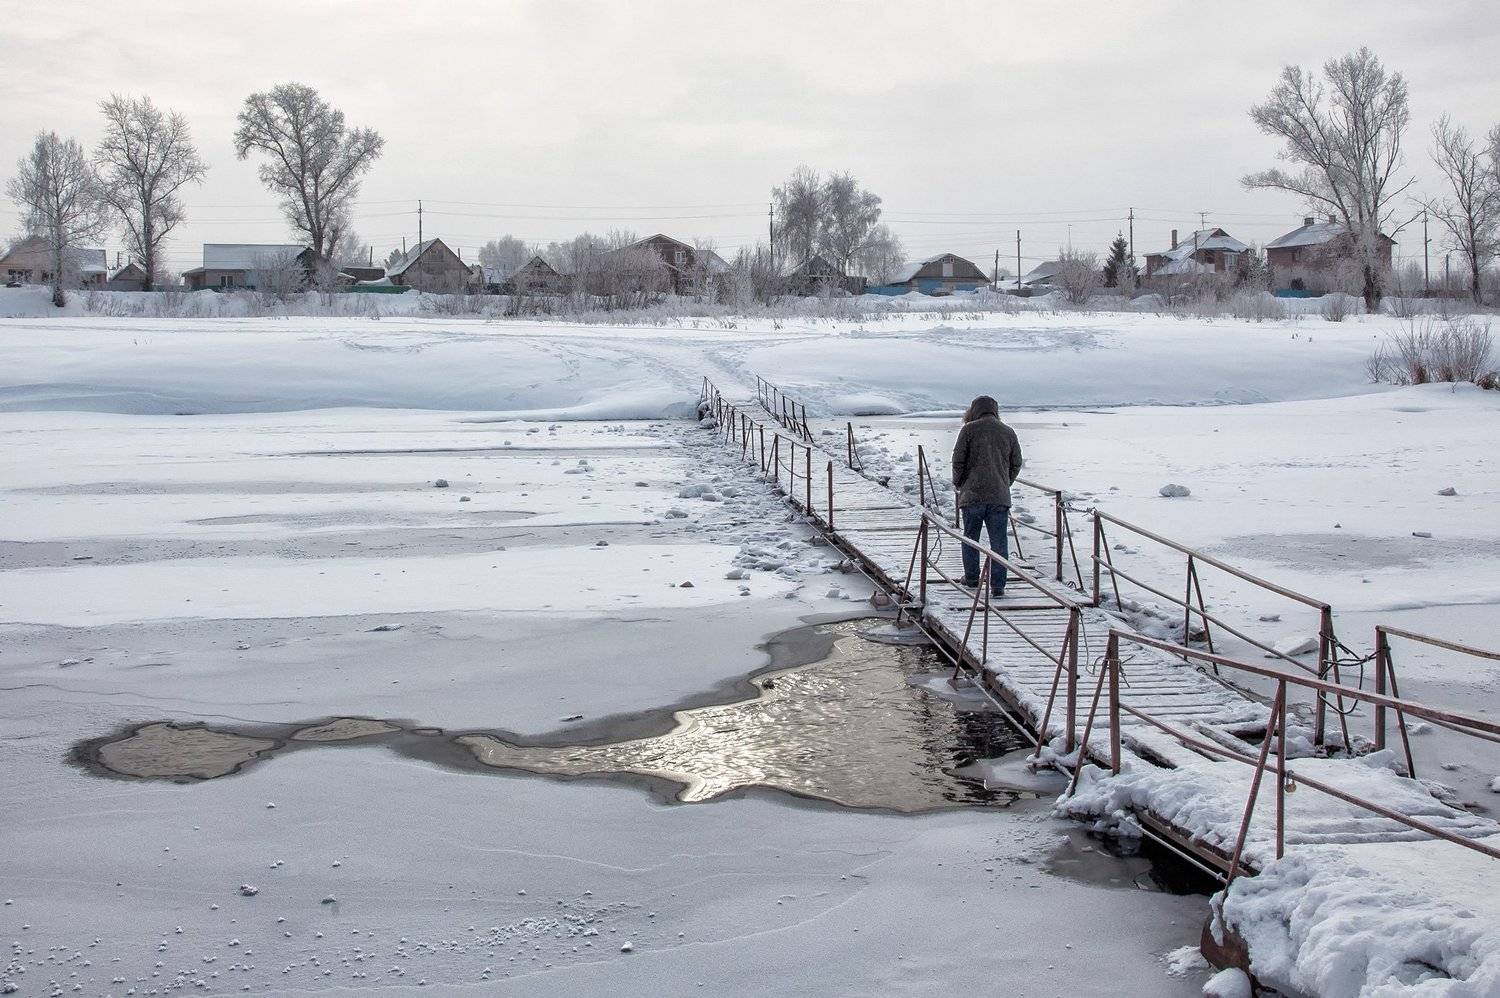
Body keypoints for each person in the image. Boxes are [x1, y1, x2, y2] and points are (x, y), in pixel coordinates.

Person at [950, 395, 1023, 597]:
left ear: (974, 410)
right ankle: (998, 584)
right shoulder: (1008, 432)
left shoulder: (968, 430)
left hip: (972, 495)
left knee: (970, 537)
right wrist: (1005, 481)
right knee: (999, 541)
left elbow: (958, 460)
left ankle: (972, 579)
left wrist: (959, 482)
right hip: (998, 496)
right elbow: (1017, 462)